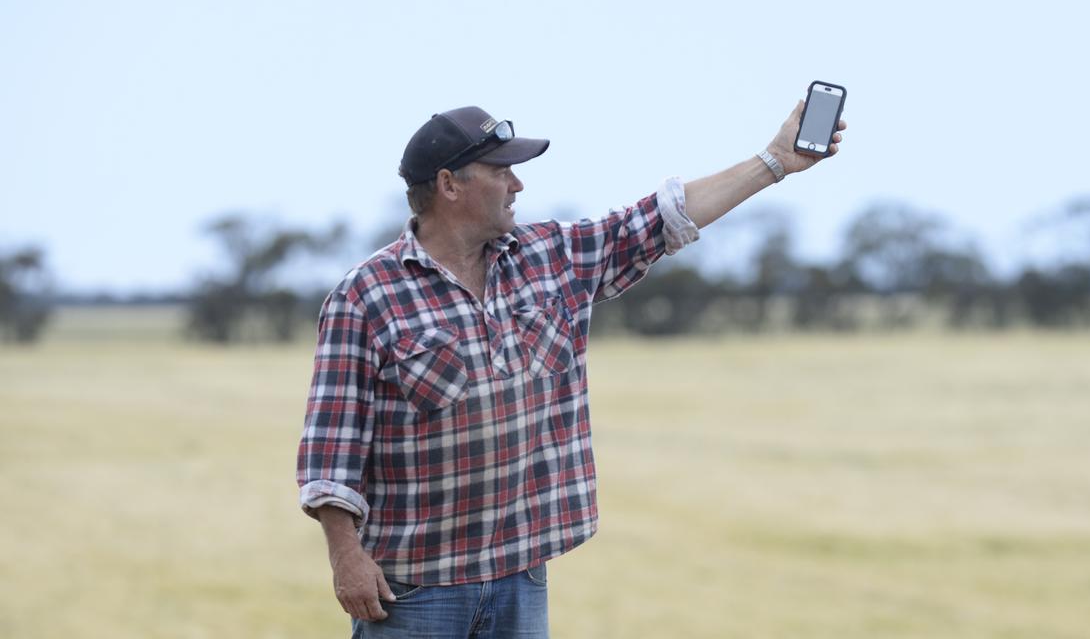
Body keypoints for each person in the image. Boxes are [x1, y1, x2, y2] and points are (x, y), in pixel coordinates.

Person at [296, 100, 846, 638]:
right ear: (449, 184)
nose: (518, 185)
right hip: (415, 591)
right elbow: (331, 450)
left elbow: (660, 218)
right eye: (502, 170)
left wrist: (774, 162)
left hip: (522, 575)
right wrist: (346, 557)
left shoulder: (551, 258)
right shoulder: (365, 296)